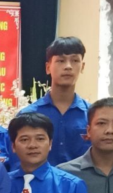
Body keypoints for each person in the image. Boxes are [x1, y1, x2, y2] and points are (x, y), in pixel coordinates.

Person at [19, 37, 90, 166]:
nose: (68, 66)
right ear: (48, 67)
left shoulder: (92, 115)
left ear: (82, 67)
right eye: (61, 61)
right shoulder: (28, 115)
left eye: (75, 60)